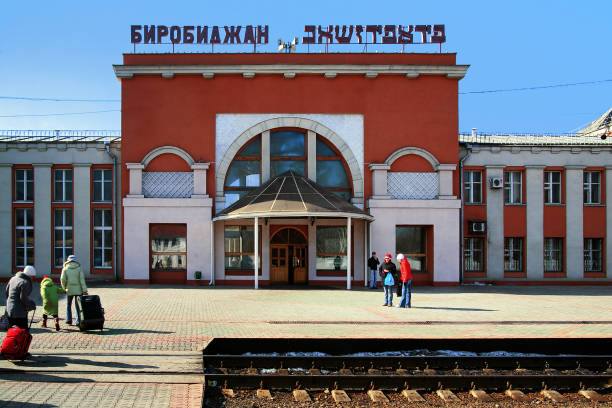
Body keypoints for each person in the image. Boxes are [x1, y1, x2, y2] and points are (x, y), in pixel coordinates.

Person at [5, 265, 37, 330]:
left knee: (12, 332)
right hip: (20, 313)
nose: (33, 279)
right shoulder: (25, 282)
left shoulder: (13, 279)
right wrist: (31, 305)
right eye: (33, 277)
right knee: (22, 332)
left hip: (9, 311)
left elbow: (7, 292)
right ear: (30, 275)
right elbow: (23, 297)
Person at [60, 255, 88, 326]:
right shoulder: (79, 268)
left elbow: (62, 279)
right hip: (78, 290)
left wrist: (64, 288)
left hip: (69, 290)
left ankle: (68, 320)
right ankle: (78, 321)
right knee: (78, 306)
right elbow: (82, 280)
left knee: (68, 305)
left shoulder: (65, 269)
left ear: (68, 260)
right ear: (75, 260)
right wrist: (84, 290)